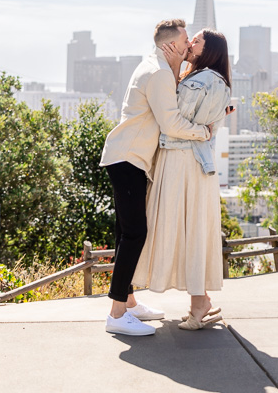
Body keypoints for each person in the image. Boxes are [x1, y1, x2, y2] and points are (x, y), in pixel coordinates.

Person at [99, 19, 213, 336]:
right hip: (129, 158)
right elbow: (171, 122)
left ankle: (130, 303)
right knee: (135, 234)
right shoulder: (160, 72)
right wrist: (203, 132)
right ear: (171, 45)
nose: (190, 44)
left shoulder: (158, 66)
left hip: (128, 156)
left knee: (126, 234)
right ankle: (117, 314)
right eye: (186, 39)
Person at [133, 28, 231, 330]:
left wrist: (175, 72)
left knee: (183, 229)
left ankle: (200, 304)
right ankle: (199, 303)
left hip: (182, 163)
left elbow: (173, 122)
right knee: (193, 231)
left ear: (208, 50)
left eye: (197, 41)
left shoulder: (203, 80)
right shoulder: (208, 79)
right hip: (190, 163)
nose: (190, 43)